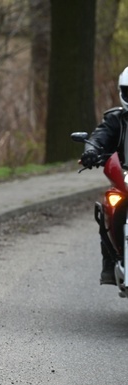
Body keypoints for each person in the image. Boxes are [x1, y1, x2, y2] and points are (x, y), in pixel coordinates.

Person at [80, 66, 128, 285]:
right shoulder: (116, 119)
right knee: (108, 206)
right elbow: (100, 137)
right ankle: (110, 261)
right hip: (125, 177)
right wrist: (91, 151)